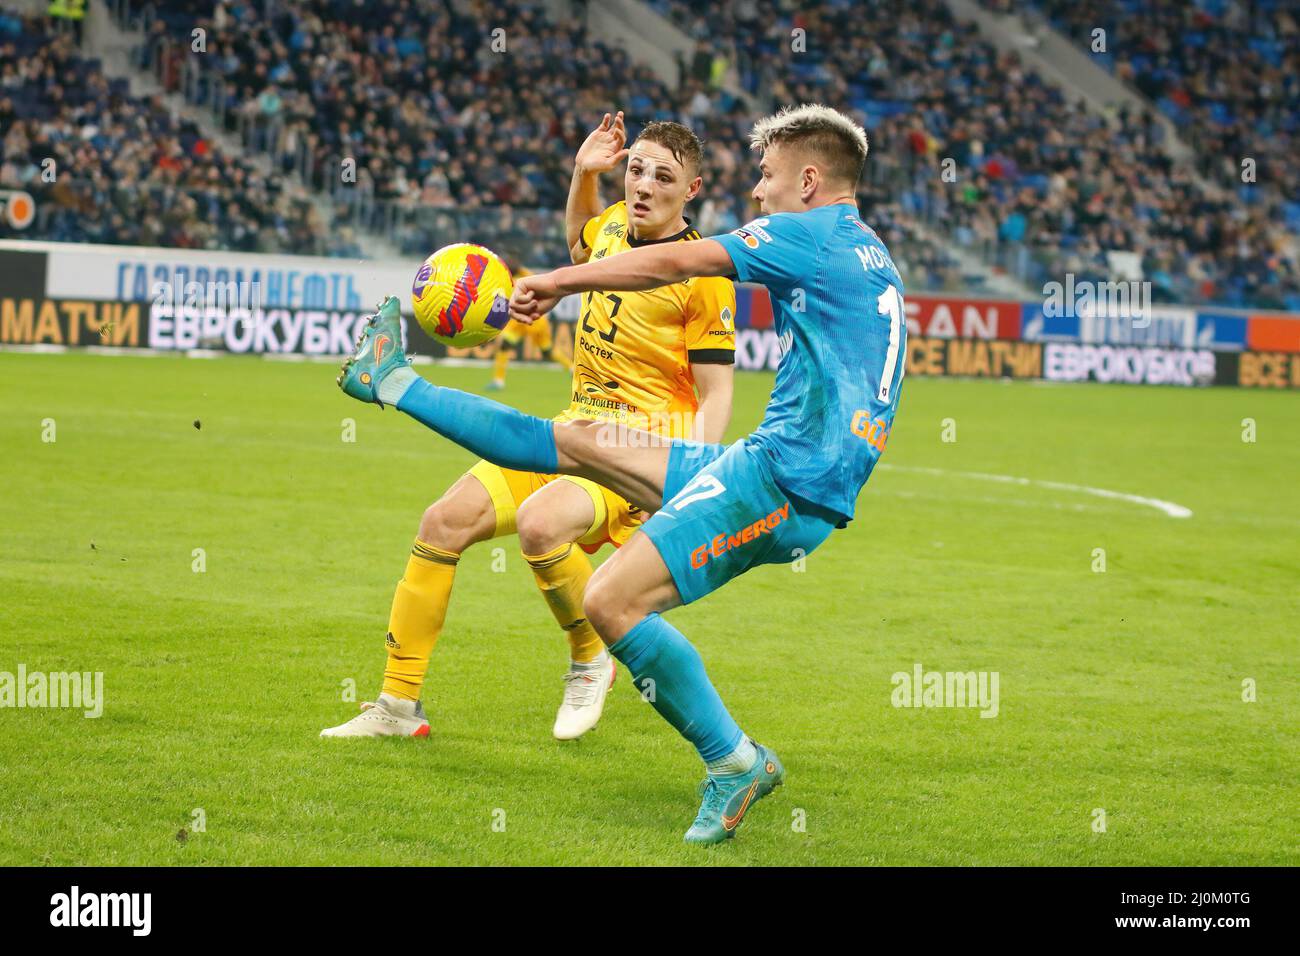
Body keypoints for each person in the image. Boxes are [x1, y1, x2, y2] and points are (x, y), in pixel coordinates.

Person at [335, 104, 906, 844]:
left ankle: (734, 760)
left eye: (765, 178)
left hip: (783, 482)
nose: (758, 194)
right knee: (568, 442)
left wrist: (564, 281)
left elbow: (678, 262)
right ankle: (390, 379)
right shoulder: (869, 253)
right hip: (774, 468)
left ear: (807, 179)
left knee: (609, 601)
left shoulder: (810, 233)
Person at [322, 113, 737, 742]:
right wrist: (581, 171)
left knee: (543, 525)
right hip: (572, 429)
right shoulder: (613, 230)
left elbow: (717, 392)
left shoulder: (705, 275)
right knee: (443, 522)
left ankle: (590, 652)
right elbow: (579, 240)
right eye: (636, 169)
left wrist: (691, 477)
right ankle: (397, 708)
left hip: (634, 450)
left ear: (692, 190)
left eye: (663, 176)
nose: (644, 185)